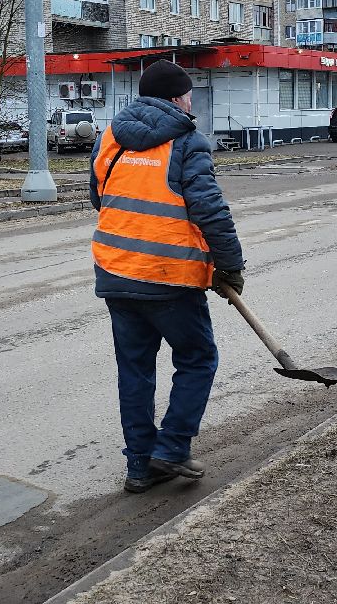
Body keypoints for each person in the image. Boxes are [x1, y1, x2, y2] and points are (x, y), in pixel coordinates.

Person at [90, 60, 245, 493]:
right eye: (189, 94)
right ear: (178, 98)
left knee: (135, 371)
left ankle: (139, 465)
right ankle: (172, 448)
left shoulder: (110, 139)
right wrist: (230, 265)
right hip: (169, 277)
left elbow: (98, 197)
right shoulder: (188, 143)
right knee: (198, 359)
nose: (191, 101)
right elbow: (210, 210)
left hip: (116, 272)